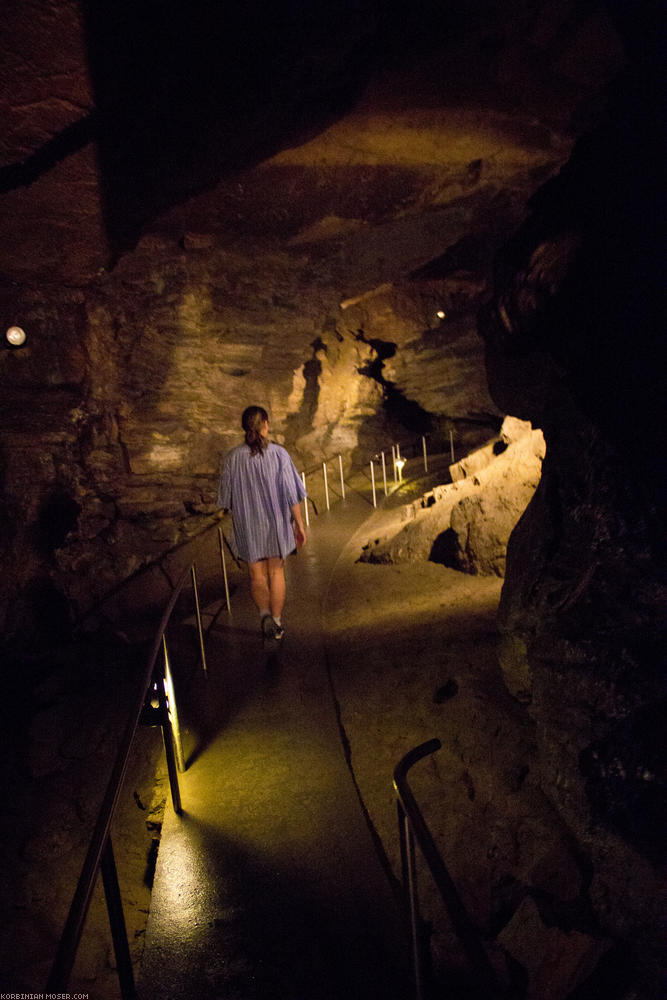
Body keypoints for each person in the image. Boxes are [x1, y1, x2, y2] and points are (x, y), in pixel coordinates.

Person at [218, 405, 307, 640]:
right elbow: (291, 494)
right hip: (276, 524)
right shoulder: (279, 454)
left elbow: (225, 499)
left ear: (244, 428)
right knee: (276, 572)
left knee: (256, 575)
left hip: (248, 526)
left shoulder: (233, 459)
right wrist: (299, 524)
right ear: (266, 425)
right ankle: (277, 623)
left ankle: (264, 615)